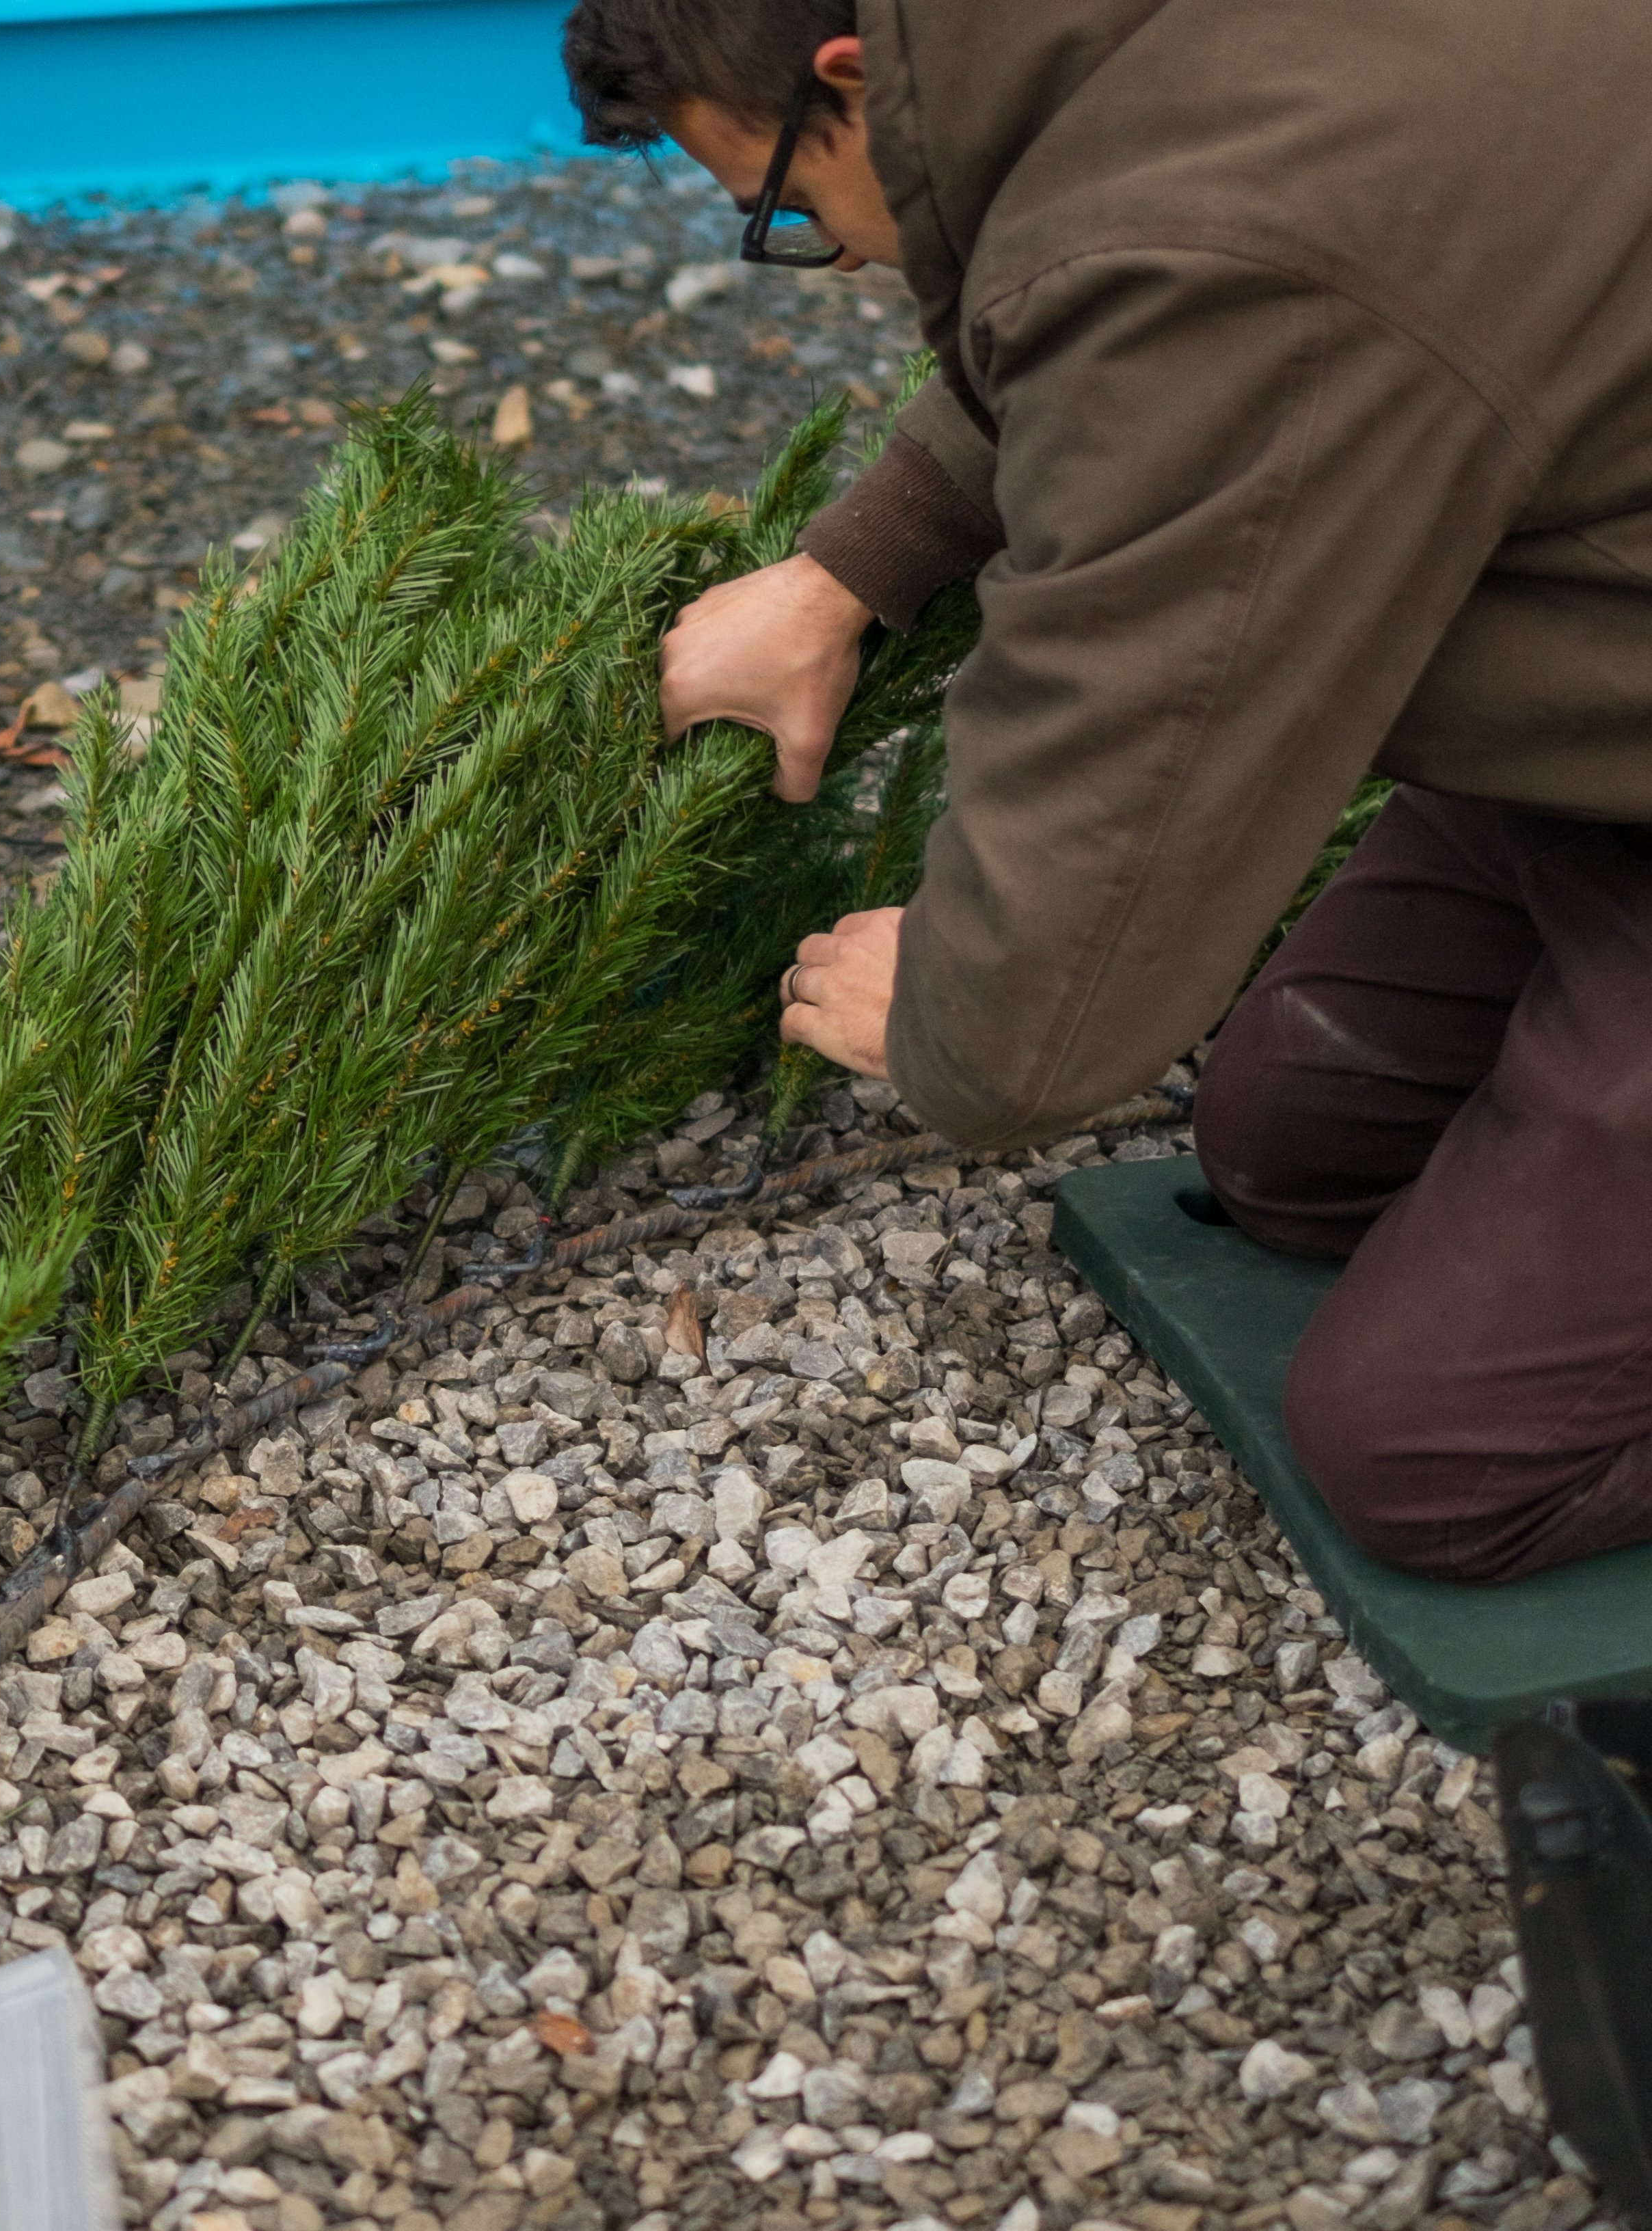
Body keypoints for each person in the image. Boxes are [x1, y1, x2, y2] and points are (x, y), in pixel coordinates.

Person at [560, 0, 1652, 1585]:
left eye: (786, 207)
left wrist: (954, 1009)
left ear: (848, 79)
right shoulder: (1104, 48)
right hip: (1597, 734)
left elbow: (1132, 727)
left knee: (1430, 1458)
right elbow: (1125, 298)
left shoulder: (1224, 256)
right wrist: (848, 571)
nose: (832, 252)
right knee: (1298, 1145)